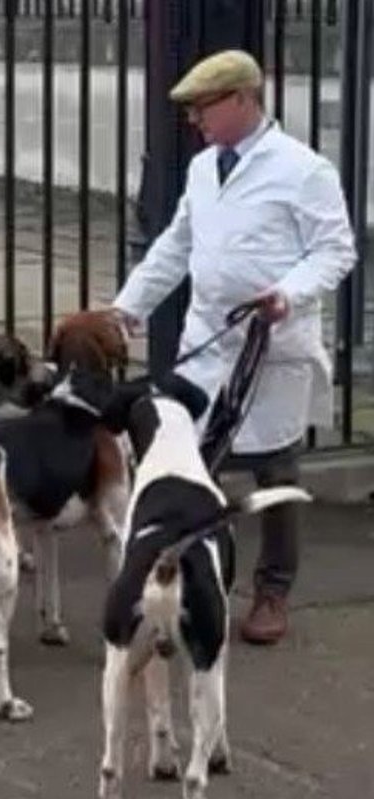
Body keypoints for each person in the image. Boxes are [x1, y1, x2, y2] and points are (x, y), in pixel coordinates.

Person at [112, 50, 356, 646]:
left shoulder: (304, 170)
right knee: (195, 465)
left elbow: (336, 250)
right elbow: (177, 244)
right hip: (209, 340)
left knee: (274, 466)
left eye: (204, 107)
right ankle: (198, 579)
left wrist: (287, 294)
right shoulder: (203, 168)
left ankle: (273, 591)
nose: (195, 119)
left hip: (271, 342)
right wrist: (128, 305)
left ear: (244, 99)